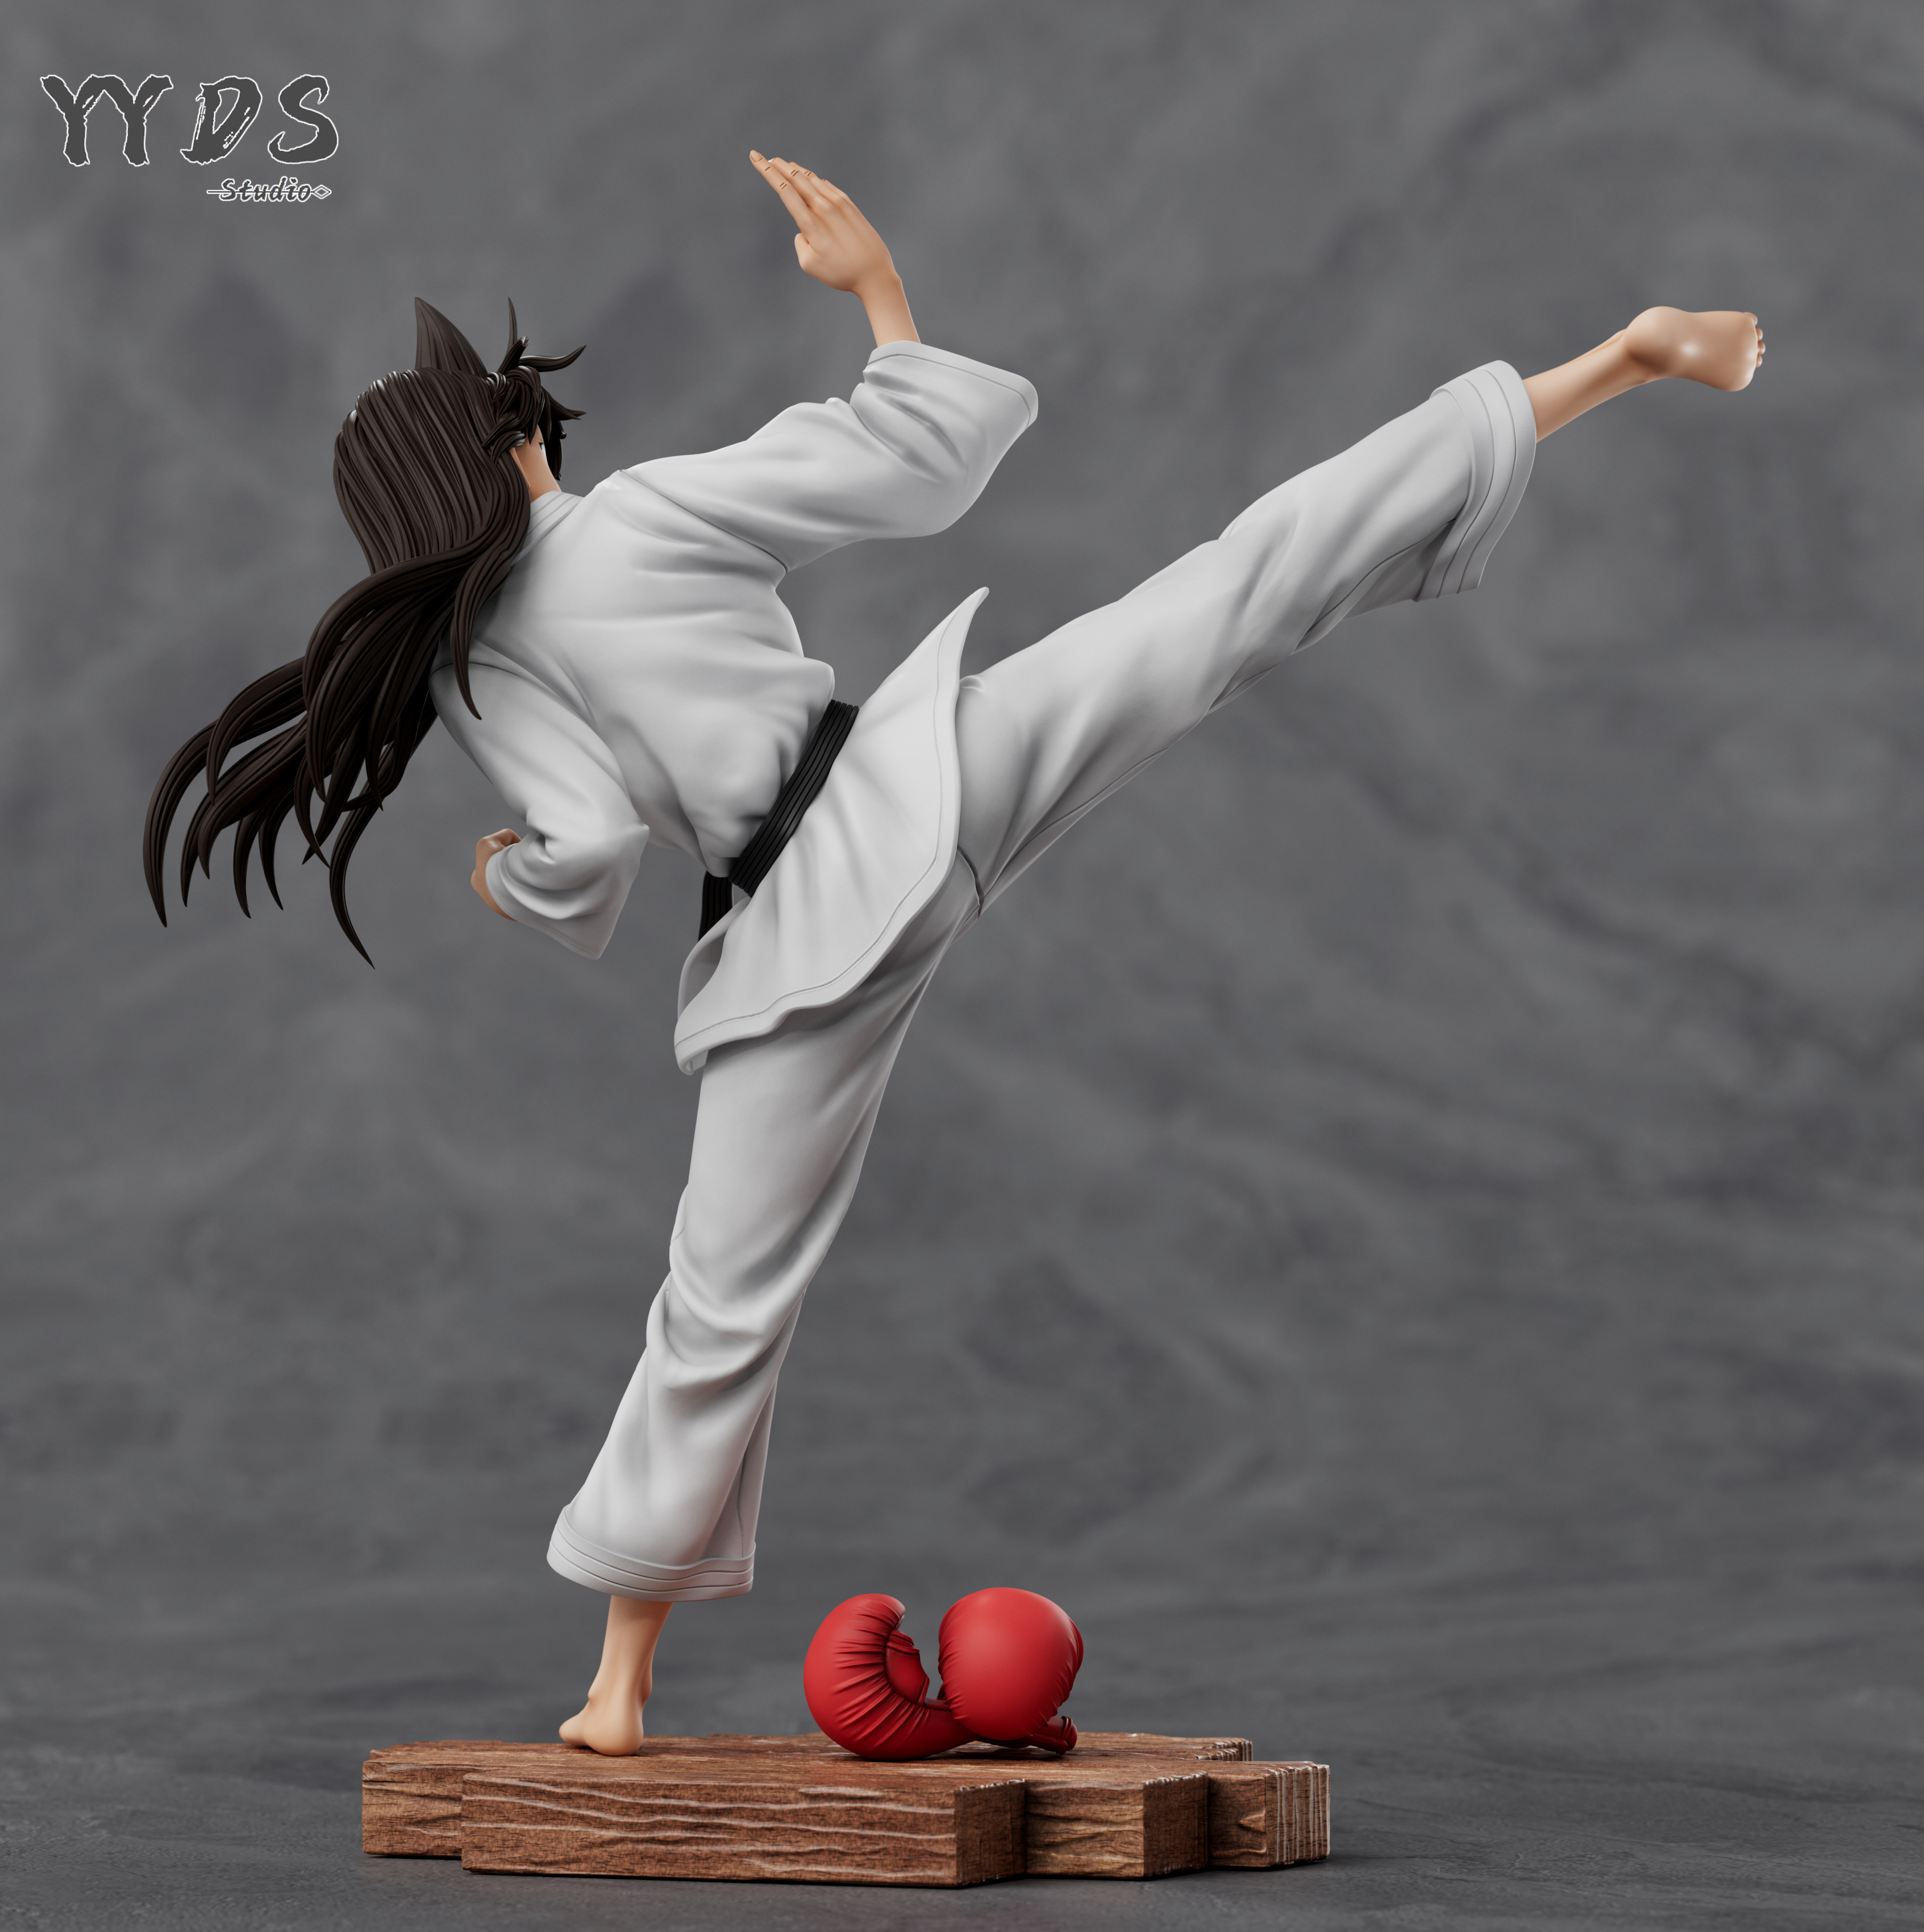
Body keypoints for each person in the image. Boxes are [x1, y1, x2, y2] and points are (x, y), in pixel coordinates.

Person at [145, 151, 1764, 1756]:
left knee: (720, 1302)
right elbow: (907, 465)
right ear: (515, 444)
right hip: (923, 775)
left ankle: (619, 1686)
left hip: (805, 939)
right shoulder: (639, 515)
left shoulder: (473, 668)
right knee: (1232, 595)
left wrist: (512, 880)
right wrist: (881, 300)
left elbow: (589, 864)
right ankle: (1610, 366)